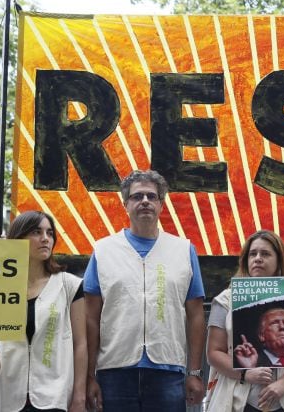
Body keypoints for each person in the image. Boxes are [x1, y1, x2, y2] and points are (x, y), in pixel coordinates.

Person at [84, 170, 206, 411]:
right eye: (137, 196)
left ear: (161, 204)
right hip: (114, 371)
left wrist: (194, 371)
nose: (145, 202)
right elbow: (90, 318)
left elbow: (196, 315)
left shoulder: (183, 250)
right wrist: (88, 375)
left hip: (169, 372)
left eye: (152, 196)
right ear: (125, 204)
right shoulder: (103, 250)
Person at [0, 211, 87, 411]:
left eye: (50, 233)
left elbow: (80, 344)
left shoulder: (69, 285)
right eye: (36, 232)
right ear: (18, 238)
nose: (45, 239)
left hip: (54, 397)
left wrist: (79, 397)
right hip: (7, 398)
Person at [205, 230, 284, 412]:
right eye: (253, 254)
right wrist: (245, 374)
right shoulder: (224, 300)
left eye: (265, 254)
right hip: (238, 403)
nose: (258, 258)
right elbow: (213, 352)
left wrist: (283, 384)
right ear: (245, 260)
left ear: (279, 260)